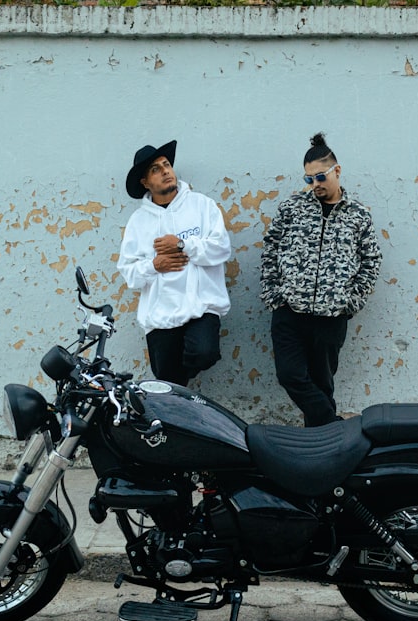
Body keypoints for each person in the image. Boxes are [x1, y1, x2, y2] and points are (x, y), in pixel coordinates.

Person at [260, 132, 382, 427]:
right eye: (308, 179)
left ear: (336, 171)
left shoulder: (358, 216)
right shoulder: (292, 209)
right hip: (290, 311)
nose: (314, 185)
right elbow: (270, 249)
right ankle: (335, 427)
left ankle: (321, 449)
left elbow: (371, 261)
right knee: (290, 375)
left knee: (322, 384)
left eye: (320, 177)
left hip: (331, 316)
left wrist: (350, 302)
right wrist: (274, 295)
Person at [117, 140, 232, 386]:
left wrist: (182, 245)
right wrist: (154, 265)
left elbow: (221, 248)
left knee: (204, 353)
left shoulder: (202, 205)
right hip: (160, 316)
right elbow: (129, 273)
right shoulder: (138, 222)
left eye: (166, 165)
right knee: (167, 386)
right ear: (145, 182)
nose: (166, 171)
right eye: (155, 170)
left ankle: (181, 388)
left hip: (201, 307)